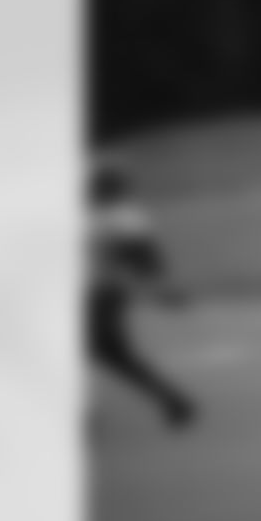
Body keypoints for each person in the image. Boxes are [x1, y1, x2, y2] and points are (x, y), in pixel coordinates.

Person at [88, 162, 199, 430]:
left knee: (107, 351)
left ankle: (175, 401)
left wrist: (164, 288)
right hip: (101, 292)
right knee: (108, 352)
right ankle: (174, 401)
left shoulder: (122, 219)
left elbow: (145, 258)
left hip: (102, 293)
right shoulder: (110, 216)